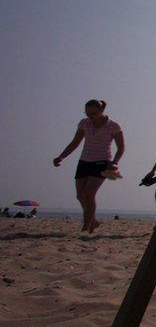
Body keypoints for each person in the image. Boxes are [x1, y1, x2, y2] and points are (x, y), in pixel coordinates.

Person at [53, 99, 124, 233]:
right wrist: (61, 156)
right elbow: (75, 142)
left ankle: (87, 225)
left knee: (89, 194)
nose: (90, 116)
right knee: (80, 195)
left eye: (94, 113)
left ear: (101, 111)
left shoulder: (113, 126)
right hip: (84, 161)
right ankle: (93, 221)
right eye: (87, 113)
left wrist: (115, 162)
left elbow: (121, 147)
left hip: (102, 162)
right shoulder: (84, 123)